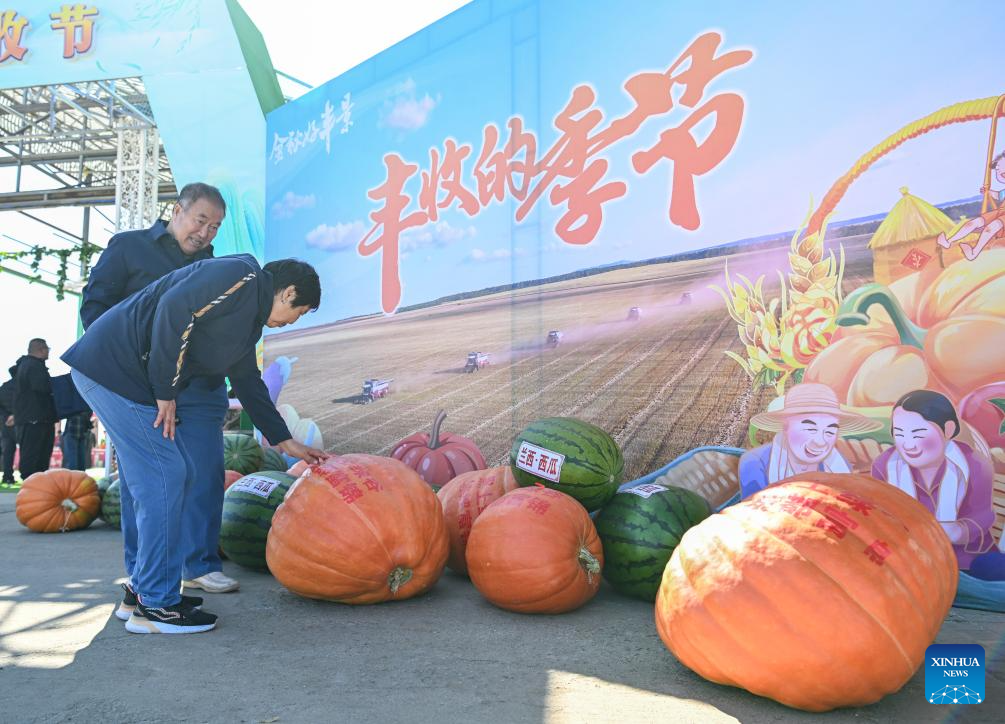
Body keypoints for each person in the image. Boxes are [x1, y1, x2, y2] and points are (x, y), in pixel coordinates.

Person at [62, 255, 327, 634]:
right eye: (298, 312)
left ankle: (145, 591)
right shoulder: (241, 274)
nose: (293, 321)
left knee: (167, 478)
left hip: (118, 377)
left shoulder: (246, 322)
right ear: (287, 292)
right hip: (114, 373)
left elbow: (248, 382)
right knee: (167, 476)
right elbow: (175, 308)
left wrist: (286, 441)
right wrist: (166, 391)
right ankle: (156, 607)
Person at [81, 182, 242, 595]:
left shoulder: (215, 269)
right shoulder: (128, 247)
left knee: (205, 472)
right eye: (200, 220)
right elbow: (96, 305)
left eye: (215, 227)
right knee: (148, 479)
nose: (205, 233)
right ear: (177, 211)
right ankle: (142, 569)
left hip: (199, 384)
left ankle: (200, 563)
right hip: (142, 385)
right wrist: (122, 364)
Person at [871, 390, 1005, 582]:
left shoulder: (974, 463)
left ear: (948, 430)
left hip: (969, 561)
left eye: (918, 434)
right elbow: (878, 516)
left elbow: (982, 517)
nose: (908, 445)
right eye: (899, 433)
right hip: (907, 558)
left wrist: (955, 531)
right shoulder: (884, 465)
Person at [739, 382, 882, 499]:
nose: (820, 442)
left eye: (830, 431)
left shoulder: (839, 465)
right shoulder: (756, 463)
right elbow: (752, 519)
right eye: (810, 429)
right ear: (786, 427)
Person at [13, 339, 58, 480]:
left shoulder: (27, 365)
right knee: (35, 458)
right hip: (35, 419)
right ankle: (31, 487)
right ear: (40, 349)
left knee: (37, 457)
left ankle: (34, 487)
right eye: (47, 349)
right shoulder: (33, 366)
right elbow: (43, 387)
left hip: (35, 418)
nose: (48, 351)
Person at [0, 365, 17, 484]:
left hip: (6, 424)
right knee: (28, 451)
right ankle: (30, 476)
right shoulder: (22, 387)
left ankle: (7, 476)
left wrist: (6, 417)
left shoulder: (4, 387)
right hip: (22, 421)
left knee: (8, 451)